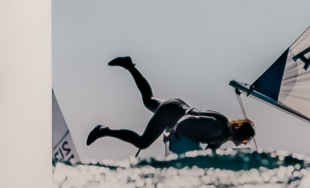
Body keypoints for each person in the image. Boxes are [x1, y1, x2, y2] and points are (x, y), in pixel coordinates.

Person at [87, 56, 255, 152]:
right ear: (240, 133)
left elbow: (207, 156)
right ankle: (104, 131)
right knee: (143, 143)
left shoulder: (222, 134)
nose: (244, 143)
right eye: (246, 140)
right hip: (172, 115)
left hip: (175, 106)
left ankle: (129, 65)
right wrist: (174, 131)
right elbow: (190, 120)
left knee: (148, 100)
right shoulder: (219, 129)